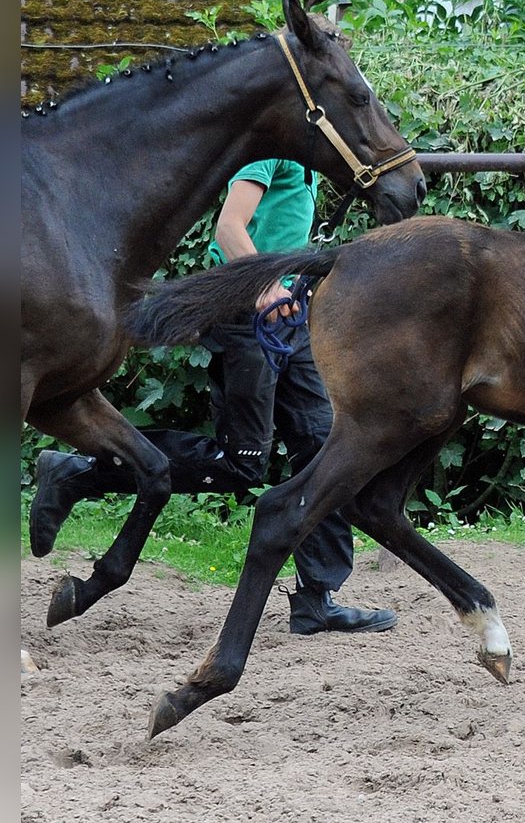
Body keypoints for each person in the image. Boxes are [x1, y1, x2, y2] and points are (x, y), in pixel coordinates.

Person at [29, 158, 397, 636]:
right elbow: (229, 227)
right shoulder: (271, 154)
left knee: (321, 443)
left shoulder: (307, 165)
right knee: (241, 460)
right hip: (248, 317)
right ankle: (78, 475)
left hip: (288, 319)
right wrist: (267, 288)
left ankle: (317, 599)